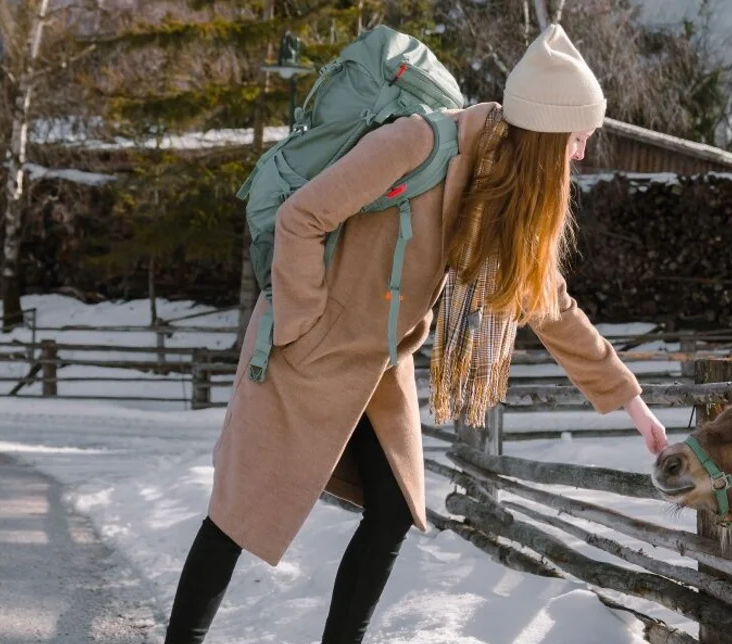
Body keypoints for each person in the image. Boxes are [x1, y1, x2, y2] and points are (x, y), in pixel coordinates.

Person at [164, 25, 667, 644]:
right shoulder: (420, 141)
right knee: (237, 514)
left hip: (380, 365)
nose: (582, 155)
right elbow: (302, 216)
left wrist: (627, 399)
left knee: (394, 511)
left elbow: (545, 299)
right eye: (578, 140)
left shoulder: (498, 184)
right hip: (307, 352)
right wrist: (299, 326)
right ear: (547, 135)